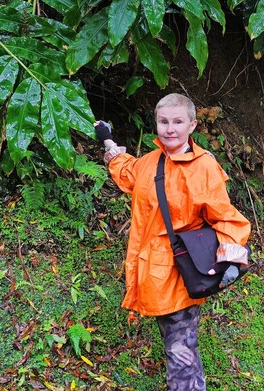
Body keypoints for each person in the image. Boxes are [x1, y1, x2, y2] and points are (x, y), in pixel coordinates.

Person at [94, 93, 250, 391]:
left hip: (180, 272)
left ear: (192, 125)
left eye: (178, 122)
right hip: (151, 271)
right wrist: (108, 142)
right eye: (163, 121)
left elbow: (225, 215)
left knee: (180, 351)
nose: (169, 129)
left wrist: (230, 258)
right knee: (178, 347)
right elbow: (127, 172)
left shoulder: (203, 166)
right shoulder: (150, 162)